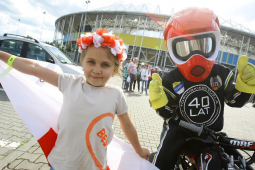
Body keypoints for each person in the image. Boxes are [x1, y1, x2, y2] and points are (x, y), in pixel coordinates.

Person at [0, 29, 150, 170]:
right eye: (91, 62)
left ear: (114, 70)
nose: (96, 70)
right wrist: (2, 55)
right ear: (82, 62)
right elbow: (34, 68)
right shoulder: (70, 82)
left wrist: (138, 149)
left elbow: (128, 126)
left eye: (105, 65)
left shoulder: (116, 94)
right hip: (60, 164)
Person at [148, 8, 255, 170]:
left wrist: (246, 87)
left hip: (210, 135)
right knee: (161, 163)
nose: (196, 55)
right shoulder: (171, 79)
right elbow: (167, 113)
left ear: (215, 42)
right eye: (185, 47)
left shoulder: (222, 74)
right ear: (172, 48)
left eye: (203, 45)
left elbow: (235, 100)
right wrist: (159, 102)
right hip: (181, 133)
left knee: (238, 162)